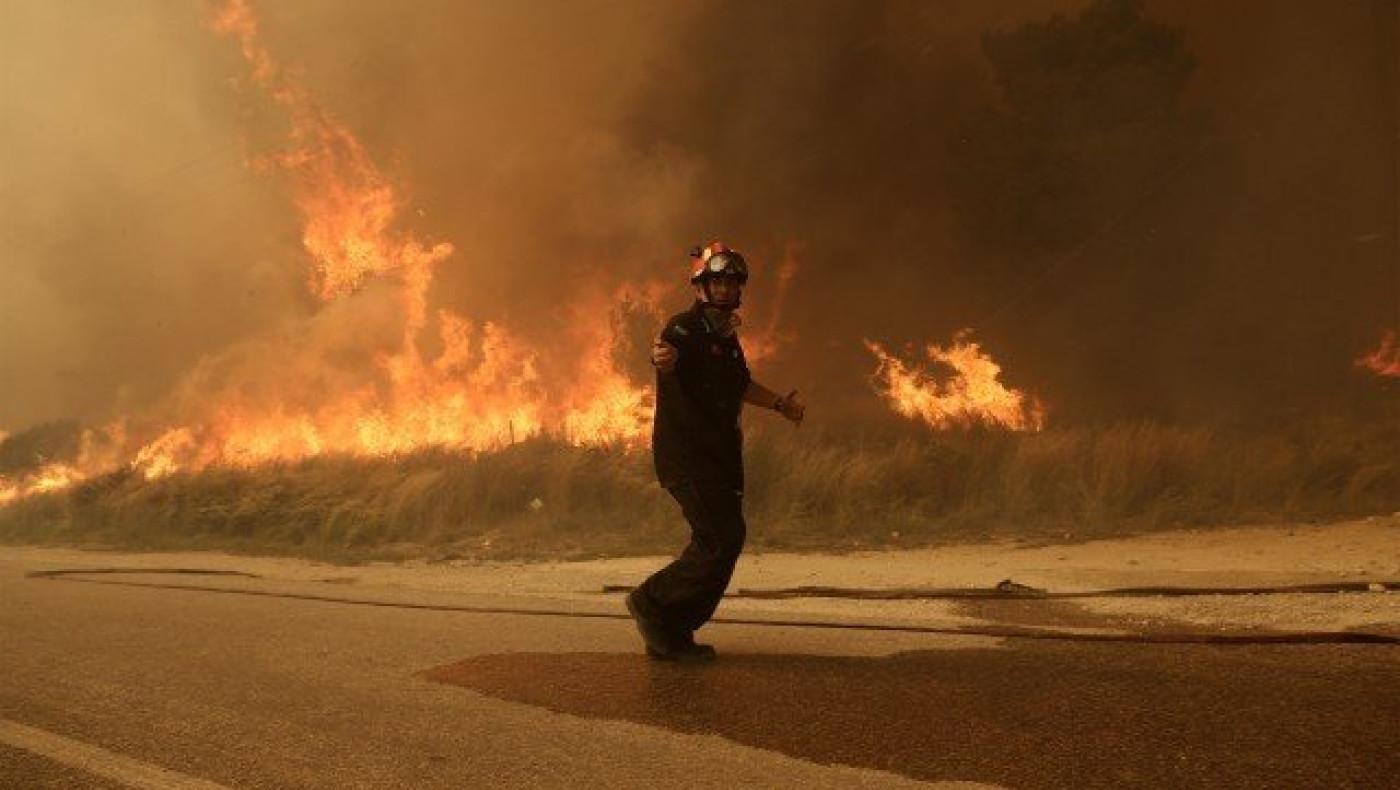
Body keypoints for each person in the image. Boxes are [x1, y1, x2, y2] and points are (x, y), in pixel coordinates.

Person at [626, 241, 805, 661]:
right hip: (686, 455)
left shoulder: (726, 340)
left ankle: (674, 628)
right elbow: (663, 356)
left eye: (729, 282)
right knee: (718, 538)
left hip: (720, 456)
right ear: (700, 287)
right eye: (715, 281)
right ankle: (650, 603)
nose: (723, 289)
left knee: (727, 539)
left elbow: (740, 385)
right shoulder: (682, 330)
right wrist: (662, 362)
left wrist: (781, 404)